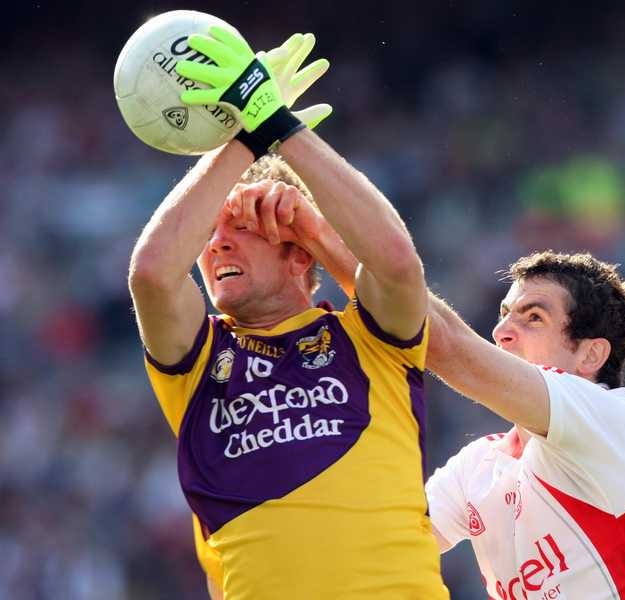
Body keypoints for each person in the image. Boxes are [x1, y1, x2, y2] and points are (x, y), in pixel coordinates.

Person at [127, 26, 448, 599]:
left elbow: (398, 264)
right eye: (208, 234)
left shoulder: (371, 339)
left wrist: (282, 130)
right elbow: (151, 273)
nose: (216, 245)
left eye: (241, 229)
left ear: (297, 251)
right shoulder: (198, 359)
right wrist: (246, 138)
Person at [423, 251, 625, 599]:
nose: (501, 333)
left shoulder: (614, 421)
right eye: (504, 315)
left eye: (533, 318)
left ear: (590, 356)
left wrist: (367, 253)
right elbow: (388, 541)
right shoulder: (477, 468)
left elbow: (452, 348)